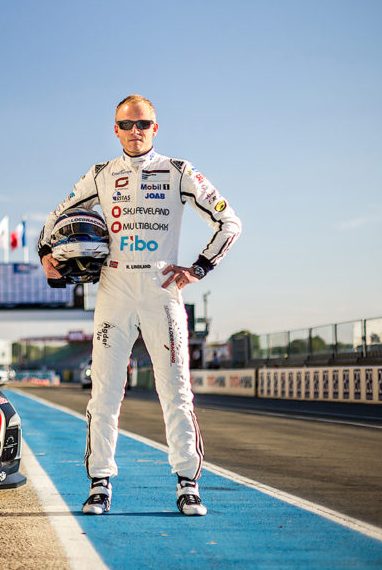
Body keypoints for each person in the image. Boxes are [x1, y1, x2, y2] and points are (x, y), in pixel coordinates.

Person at [38, 95, 242, 517]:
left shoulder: (179, 171)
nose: (136, 131)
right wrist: (46, 253)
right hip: (113, 289)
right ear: (115, 129)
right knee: (105, 393)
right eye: (127, 125)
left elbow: (229, 222)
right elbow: (56, 217)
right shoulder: (100, 174)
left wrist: (199, 269)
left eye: (143, 124)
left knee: (176, 390)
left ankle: (188, 484)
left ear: (155, 127)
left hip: (161, 288)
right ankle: (100, 484)